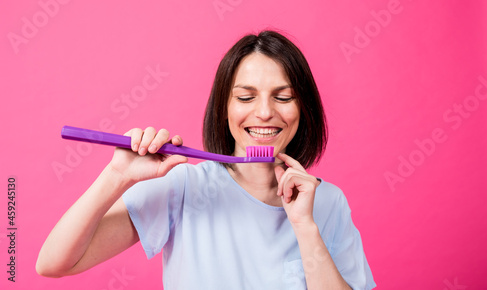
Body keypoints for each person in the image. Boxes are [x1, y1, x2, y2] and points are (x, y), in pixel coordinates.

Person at [37, 30, 376, 289]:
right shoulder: (184, 187)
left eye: (283, 97)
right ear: (224, 109)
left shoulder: (328, 203)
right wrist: (117, 175)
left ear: (303, 109)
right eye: (246, 97)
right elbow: (54, 263)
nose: (264, 113)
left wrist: (305, 228)